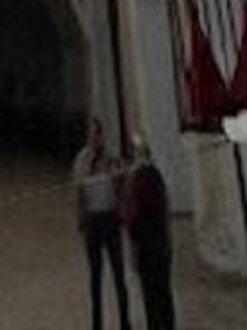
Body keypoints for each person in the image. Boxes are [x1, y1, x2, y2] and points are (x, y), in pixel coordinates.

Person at [72, 117, 132, 330]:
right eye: (91, 134)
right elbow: (79, 190)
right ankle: (97, 322)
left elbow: (122, 183)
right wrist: (81, 217)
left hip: (110, 218)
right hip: (93, 221)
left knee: (118, 273)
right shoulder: (82, 159)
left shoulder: (111, 159)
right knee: (95, 276)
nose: (95, 138)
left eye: (97, 134)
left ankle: (125, 321)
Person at [120, 138, 175, 330]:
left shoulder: (137, 179)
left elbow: (133, 213)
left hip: (148, 244)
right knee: (163, 293)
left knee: (152, 294)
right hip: (160, 243)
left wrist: (133, 241)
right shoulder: (155, 176)